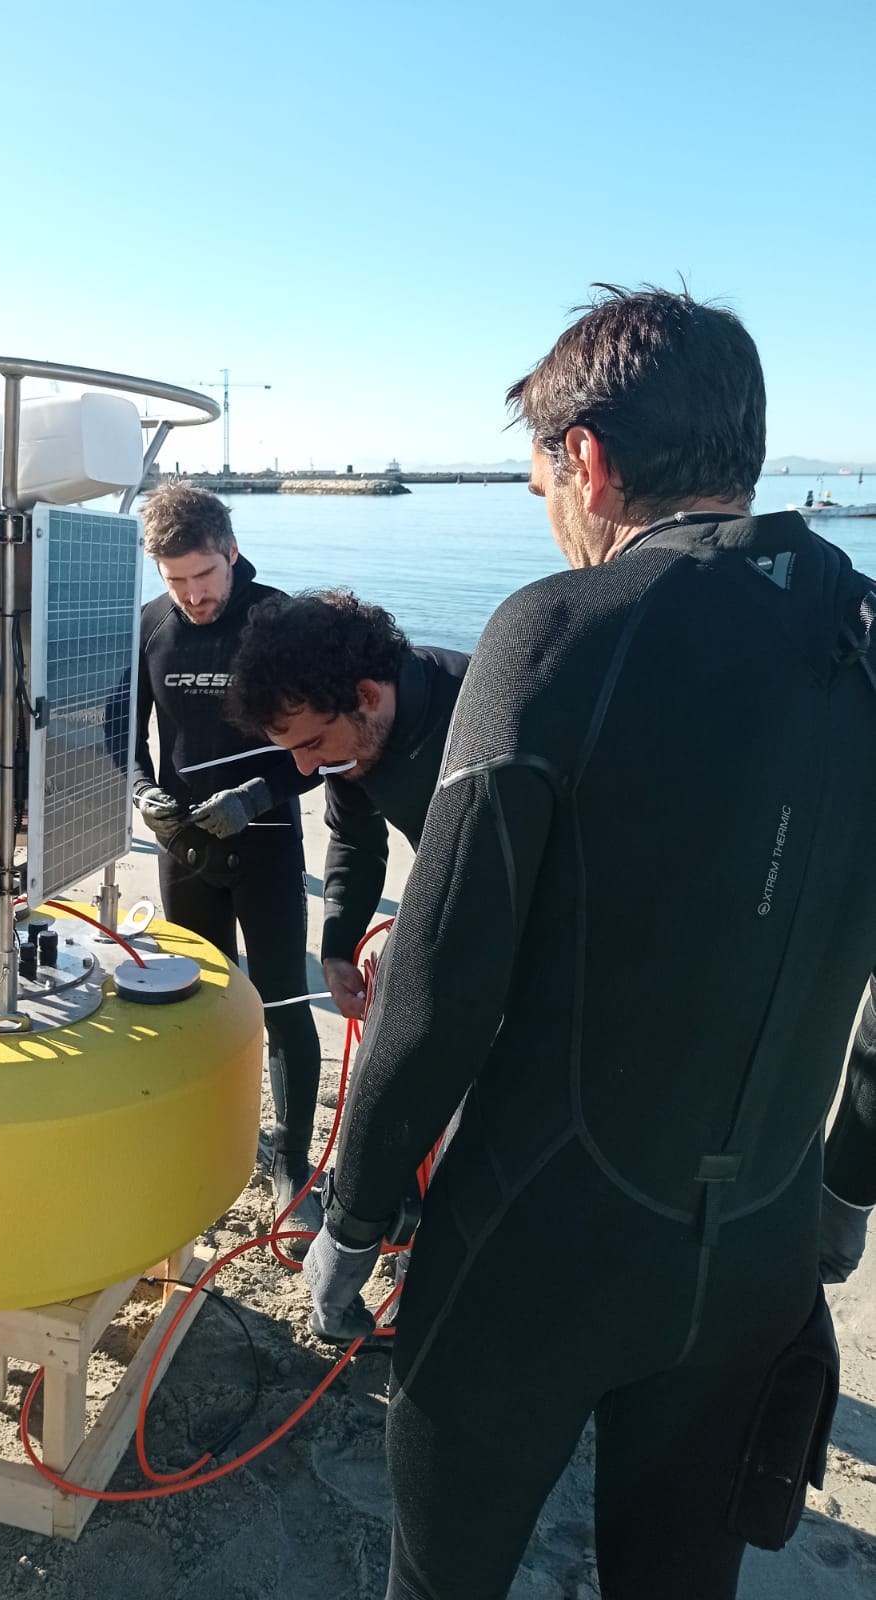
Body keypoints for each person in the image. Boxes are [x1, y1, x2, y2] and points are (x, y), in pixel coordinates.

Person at [302, 286, 876, 1599]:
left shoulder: (554, 631)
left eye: (539, 472)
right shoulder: (863, 634)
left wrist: (357, 1215)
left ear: (591, 461)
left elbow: (439, 991)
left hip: (536, 1249)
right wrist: (842, 1182)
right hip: (760, 1256)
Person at [133, 485, 323, 1252]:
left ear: (231, 551)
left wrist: (260, 791)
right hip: (185, 851)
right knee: (196, 1007)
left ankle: (294, 1163)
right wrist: (138, 791)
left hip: (266, 845)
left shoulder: (279, 621)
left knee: (284, 1005)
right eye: (176, 581)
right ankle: (207, 1148)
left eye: (204, 576)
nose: (194, 595)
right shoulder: (151, 627)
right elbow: (124, 732)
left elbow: (323, 746)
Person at [227, 589, 468, 1018]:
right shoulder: (352, 749)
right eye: (292, 751)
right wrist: (338, 951)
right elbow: (355, 839)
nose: (304, 769)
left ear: (368, 696)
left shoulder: (479, 707)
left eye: (312, 743)